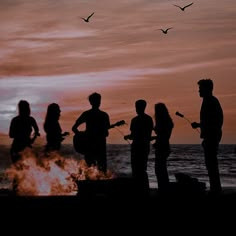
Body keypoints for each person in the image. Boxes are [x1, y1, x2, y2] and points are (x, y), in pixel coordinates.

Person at [191, 79, 223, 194]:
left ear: (207, 89)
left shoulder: (211, 101)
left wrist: (201, 126)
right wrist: (200, 125)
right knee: (211, 164)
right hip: (211, 136)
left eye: (200, 89)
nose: (198, 91)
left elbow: (214, 121)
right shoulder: (209, 101)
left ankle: (216, 189)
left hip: (211, 137)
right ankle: (215, 188)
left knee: (211, 164)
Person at [72, 92, 110, 174]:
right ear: (92, 102)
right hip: (96, 146)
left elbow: (74, 128)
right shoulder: (104, 115)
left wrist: (81, 136)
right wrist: (81, 137)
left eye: (98, 100)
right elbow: (106, 134)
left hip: (93, 145)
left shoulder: (87, 114)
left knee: (91, 169)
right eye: (97, 101)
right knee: (101, 169)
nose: (98, 102)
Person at [124, 99, 154, 196]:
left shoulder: (135, 120)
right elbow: (148, 135)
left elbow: (133, 135)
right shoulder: (149, 119)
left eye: (137, 107)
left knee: (136, 169)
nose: (136, 109)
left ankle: (138, 190)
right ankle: (145, 190)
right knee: (142, 169)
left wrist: (127, 137)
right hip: (145, 146)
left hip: (136, 147)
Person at [153, 103, 174, 192]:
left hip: (162, 146)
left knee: (159, 169)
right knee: (161, 168)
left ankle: (163, 188)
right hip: (164, 146)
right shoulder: (168, 121)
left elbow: (162, 134)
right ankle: (163, 187)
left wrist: (154, 130)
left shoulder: (163, 121)